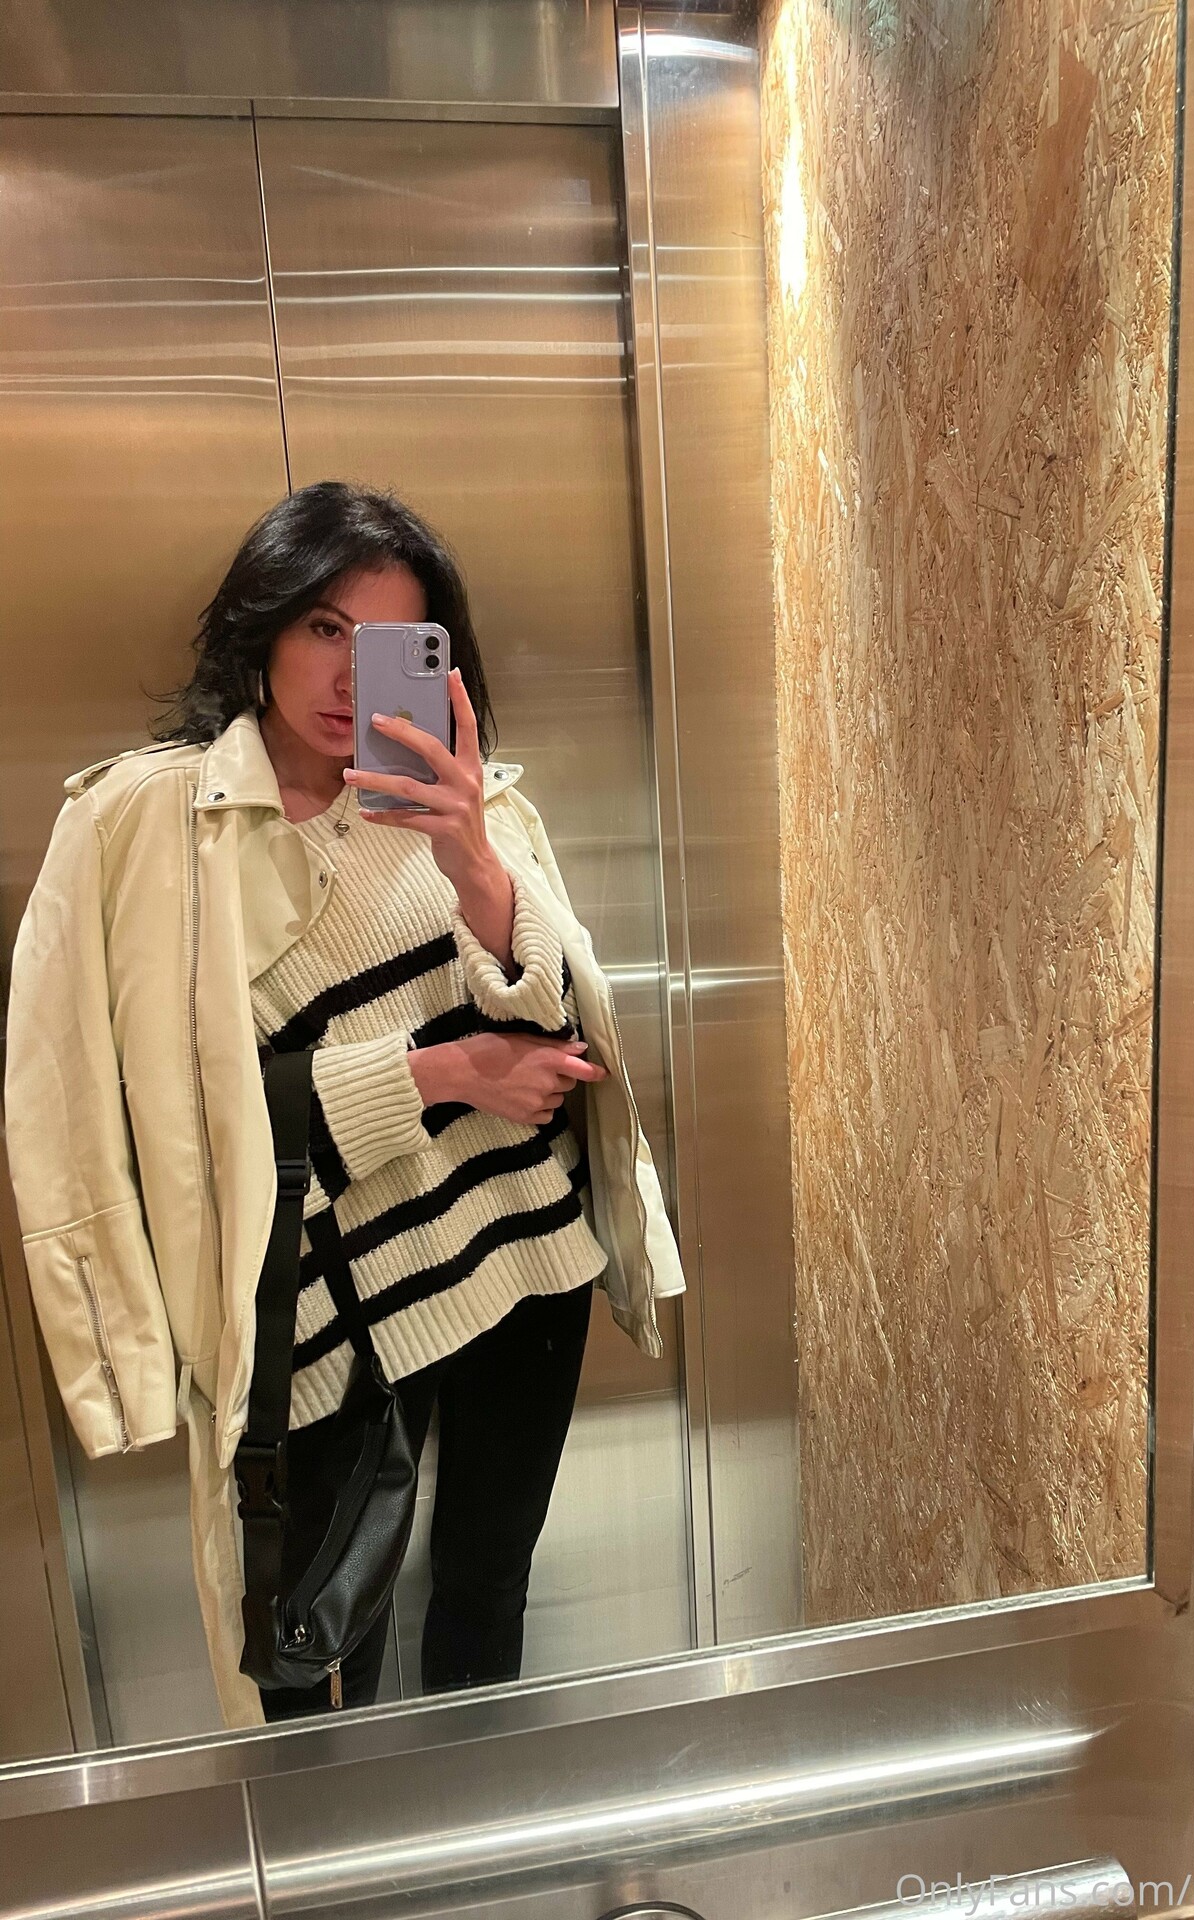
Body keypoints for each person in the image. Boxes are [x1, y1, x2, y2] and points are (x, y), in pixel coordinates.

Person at [4, 480, 685, 1727]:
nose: (342, 674)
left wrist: (472, 857)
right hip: (327, 1317)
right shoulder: (144, 826)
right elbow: (168, 1127)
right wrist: (443, 1075)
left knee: (485, 1595)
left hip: (523, 1264)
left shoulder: (470, 804)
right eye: (324, 627)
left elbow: (560, 1033)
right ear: (261, 622)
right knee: (320, 1654)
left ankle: (472, 1821)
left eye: (385, 641)